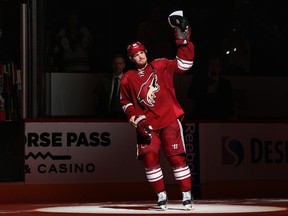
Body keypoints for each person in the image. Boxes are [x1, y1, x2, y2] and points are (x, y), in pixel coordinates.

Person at [119, 11, 195, 210]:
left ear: (146, 52)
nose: (140, 56)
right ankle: (161, 195)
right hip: (147, 124)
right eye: (135, 55)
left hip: (169, 119)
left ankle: (186, 193)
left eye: (142, 52)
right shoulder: (127, 78)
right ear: (131, 58)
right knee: (150, 158)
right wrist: (134, 118)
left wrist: (183, 40)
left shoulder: (160, 65)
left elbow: (185, 65)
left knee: (176, 157)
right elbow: (126, 103)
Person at [187, 55, 235, 120]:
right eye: (211, 65)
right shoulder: (199, 79)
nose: (214, 68)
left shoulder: (225, 83)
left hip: (220, 117)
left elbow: (229, 101)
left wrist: (231, 114)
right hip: (202, 116)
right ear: (208, 66)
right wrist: (205, 91)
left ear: (220, 68)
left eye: (216, 65)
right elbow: (190, 94)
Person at [94, 54, 127, 119]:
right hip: (105, 116)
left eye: (120, 64)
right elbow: (97, 98)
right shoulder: (104, 80)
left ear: (124, 65)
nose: (117, 66)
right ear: (112, 65)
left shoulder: (128, 80)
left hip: (123, 118)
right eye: (115, 64)